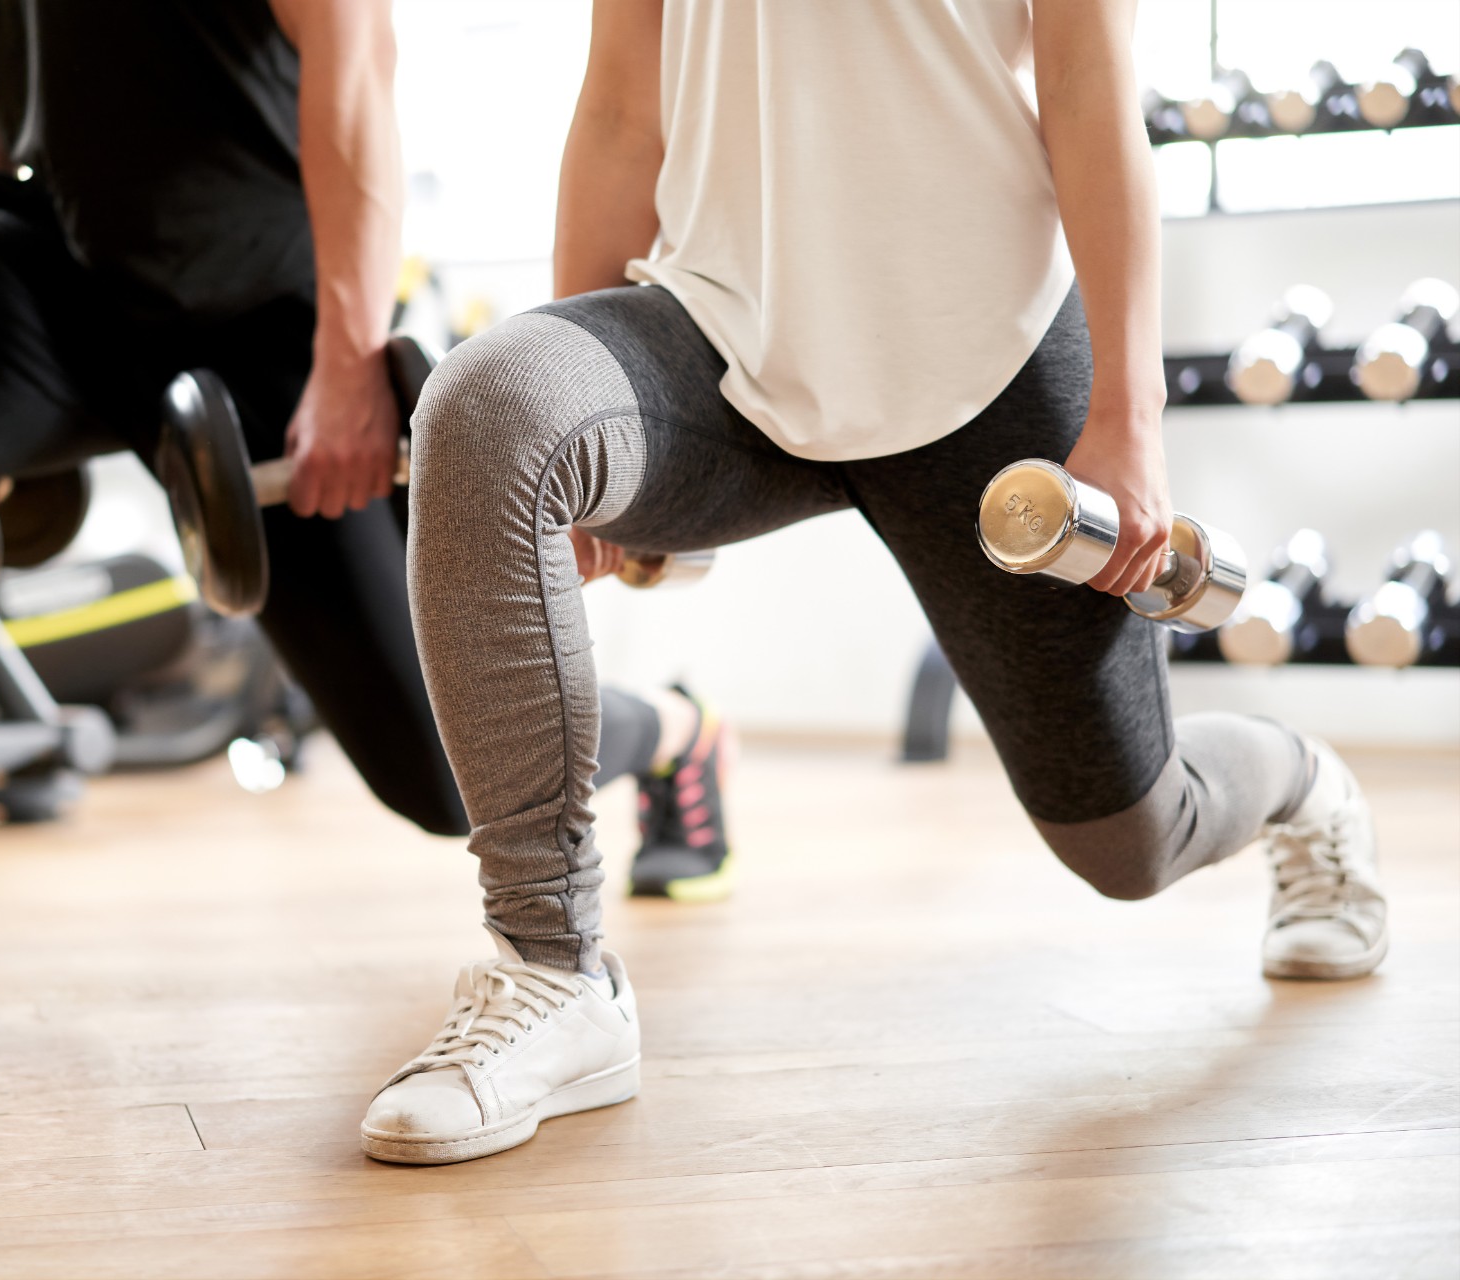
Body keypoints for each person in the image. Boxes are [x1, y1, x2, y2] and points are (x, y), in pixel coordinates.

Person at [359, 0, 1390, 1166]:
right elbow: (618, 105)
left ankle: (1305, 780)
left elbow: (1091, 86)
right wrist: (593, 482)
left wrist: (1129, 414)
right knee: (492, 406)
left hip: (987, 360)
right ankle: (553, 970)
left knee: (1132, 842)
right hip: (722, 333)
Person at [0, 0, 732, 1049]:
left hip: (261, 321)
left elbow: (355, 64)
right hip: (61, 279)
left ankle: (674, 731)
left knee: (444, 771)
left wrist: (346, 360)